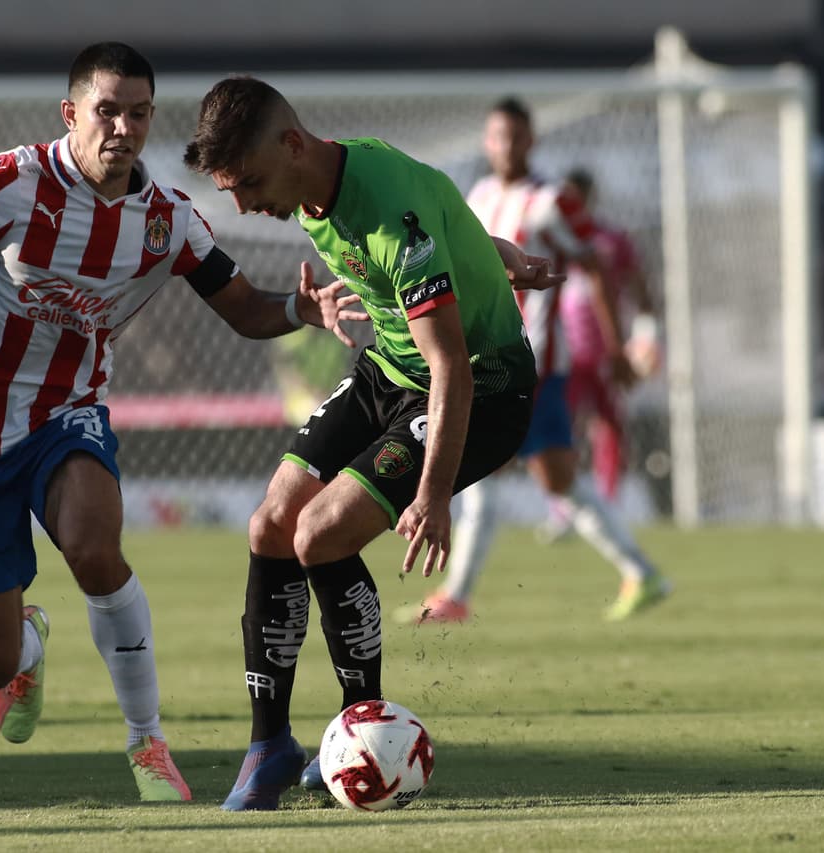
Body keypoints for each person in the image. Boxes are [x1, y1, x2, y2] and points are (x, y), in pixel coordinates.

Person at [0, 43, 362, 804]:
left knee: (95, 548)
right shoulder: (5, 185)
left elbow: (244, 308)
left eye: (137, 113)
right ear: (71, 114)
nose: (123, 128)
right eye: (107, 111)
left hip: (71, 416)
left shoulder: (165, 220)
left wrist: (303, 307)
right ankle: (27, 645)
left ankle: (146, 741)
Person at [183, 76, 563, 811]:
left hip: (480, 391)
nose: (244, 205)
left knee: (320, 535)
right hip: (388, 371)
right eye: (231, 190)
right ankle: (270, 744)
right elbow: (433, 228)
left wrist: (432, 494)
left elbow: (449, 358)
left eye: (250, 183)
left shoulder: (387, 207)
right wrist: (494, 254)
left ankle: (368, 734)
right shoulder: (321, 183)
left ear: (292, 143)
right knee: (271, 524)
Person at [399, 97, 670, 628]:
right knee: (540, 478)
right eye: (499, 136)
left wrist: (616, 349)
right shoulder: (477, 195)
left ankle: (459, 595)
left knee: (514, 474)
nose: (508, 146)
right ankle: (639, 572)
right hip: (490, 358)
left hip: (536, 365)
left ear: (532, 141)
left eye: (517, 137)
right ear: (487, 141)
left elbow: (595, 268)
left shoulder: (552, 201)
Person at [551, 167, 659, 521]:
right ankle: (563, 508)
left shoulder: (611, 240)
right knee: (561, 426)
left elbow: (641, 292)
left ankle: (608, 505)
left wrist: (645, 337)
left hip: (607, 354)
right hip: (563, 352)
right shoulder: (551, 239)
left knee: (609, 426)